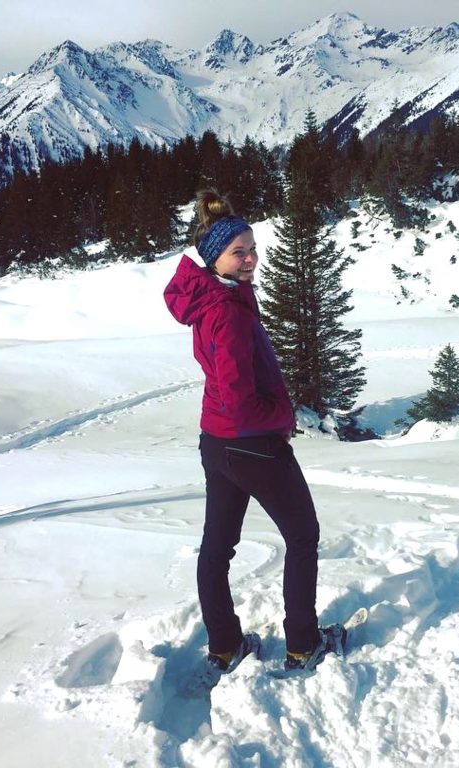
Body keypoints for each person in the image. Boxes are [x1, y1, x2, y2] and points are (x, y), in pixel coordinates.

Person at [163, 189, 344, 676]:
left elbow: (228, 390)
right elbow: (240, 398)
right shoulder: (227, 311)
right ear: (214, 258)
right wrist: (280, 416)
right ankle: (304, 644)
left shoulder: (214, 296)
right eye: (237, 252)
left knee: (218, 548)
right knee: (303, 536)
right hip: (251, 445)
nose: (250, 259)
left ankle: (225, 646)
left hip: (217, 443)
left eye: (252, 248)